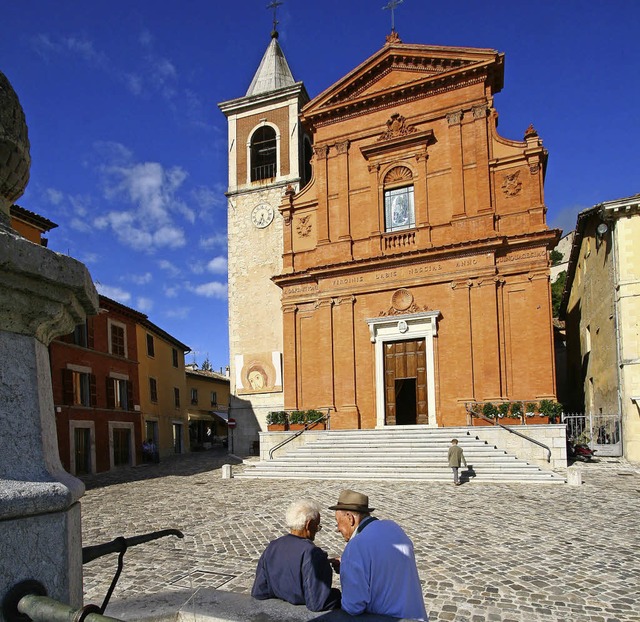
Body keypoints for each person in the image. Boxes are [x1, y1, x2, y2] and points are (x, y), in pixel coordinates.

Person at [329, 489, 427, 621]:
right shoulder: (393, 527)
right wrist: (348, 566)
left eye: (338, 522)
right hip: (416, 616)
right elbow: (383, 566)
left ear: (350, 518)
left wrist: (348, 569)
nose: (337, 529)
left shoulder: (356, 546)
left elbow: (353, 606)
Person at [251, 498, 341, 612]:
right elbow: (318, 602)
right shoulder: (312, 554)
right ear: (308, 524)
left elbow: (259, 592)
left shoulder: (272, 547)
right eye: (317, 526)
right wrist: (338, 595)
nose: (317, 530)